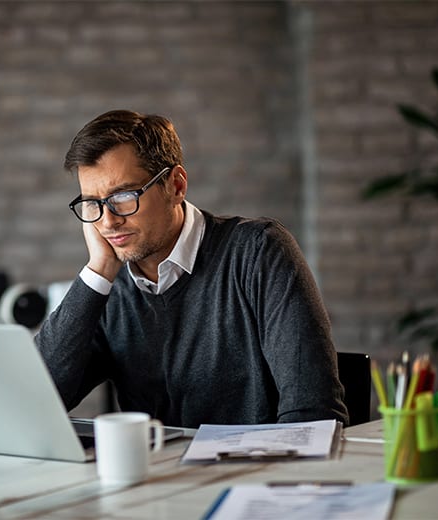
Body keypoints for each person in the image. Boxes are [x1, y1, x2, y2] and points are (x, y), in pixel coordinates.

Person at [35, 109, 348, 428]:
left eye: (123, 196)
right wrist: (98, 269)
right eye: (93, 203)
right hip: (156, 476)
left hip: (253, 471)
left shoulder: (258, 252)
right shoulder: (108, 287)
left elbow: (313, 415)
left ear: (176, 186)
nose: (108, 220)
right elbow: (38, 399)